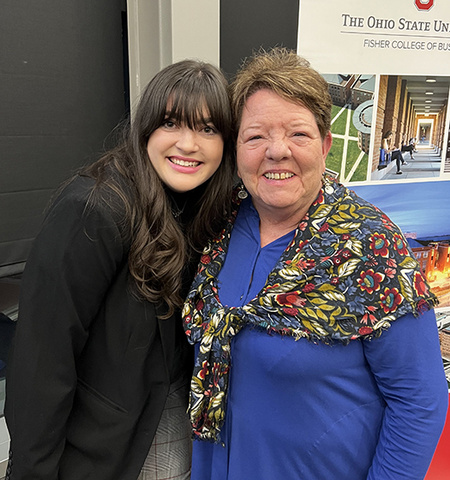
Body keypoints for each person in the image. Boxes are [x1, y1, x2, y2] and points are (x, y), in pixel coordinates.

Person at [183, 48, 448, 480]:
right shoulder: (219, 225)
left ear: (325, 145)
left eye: (298, 134)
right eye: (255, 137)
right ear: (235, 149)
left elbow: (419, 400)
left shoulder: (370, 245)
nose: (276, 151)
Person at [5, 59, 235, 480]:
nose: (188, 144)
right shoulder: (94, 209)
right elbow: (42, 359)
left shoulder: (204, 209)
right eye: (171, 123)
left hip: (170, 423)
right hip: (98, 448)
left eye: (207, 129)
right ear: (145, 128)